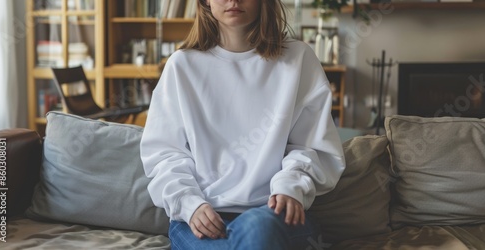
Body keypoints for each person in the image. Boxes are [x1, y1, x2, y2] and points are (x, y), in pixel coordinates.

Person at [140, 0, 346, 249]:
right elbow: (164, 155)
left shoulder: (299, 58)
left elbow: (314, 146)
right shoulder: (181, 66)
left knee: (258, 230)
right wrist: (189, 204)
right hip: (199, 217)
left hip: (273, 212)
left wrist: (290, 186)